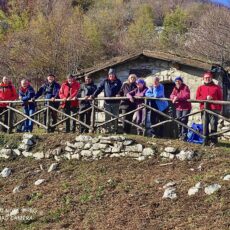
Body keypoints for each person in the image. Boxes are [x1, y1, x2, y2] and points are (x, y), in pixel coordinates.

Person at [91, 68, 122, 133]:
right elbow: (99, 89)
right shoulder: (105, 81)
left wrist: (119, 94)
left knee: (115, 116)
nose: (111, 76)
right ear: (108, 75)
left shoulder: (118, 82)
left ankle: (114, 130)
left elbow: (121, 90)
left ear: (115, 75)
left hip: (116, 102)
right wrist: (94, 95)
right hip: (107, 102)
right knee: (107, 117)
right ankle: (108, 130)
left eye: (112, 75)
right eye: (110, 75)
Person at [196, 71, 222, 145]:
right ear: (203, 78)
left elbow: (220, 99)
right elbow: (197, 98)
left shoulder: (217, 87)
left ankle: (213, 141)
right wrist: (205, 98)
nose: (207, 79)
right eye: (206, 77)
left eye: (209, 77)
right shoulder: (200, 88)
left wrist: (213, 100)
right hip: (204, 109)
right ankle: (205, 140)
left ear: (211, 78)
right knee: (205, 125)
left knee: (213, 125)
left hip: (214, 109)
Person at [170, 76, 192, 141]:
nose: (177, 82)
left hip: (186, 107)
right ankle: (180, 136)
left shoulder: (185, 87)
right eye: (176, 81)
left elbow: (186, 95)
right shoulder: (175, 88)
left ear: (181, 81)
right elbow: (171, 95)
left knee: (184, 120)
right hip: (178, 107)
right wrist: (173, 97)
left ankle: (184, 136)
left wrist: (177, 98)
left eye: (179, 81)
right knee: (179, 121)